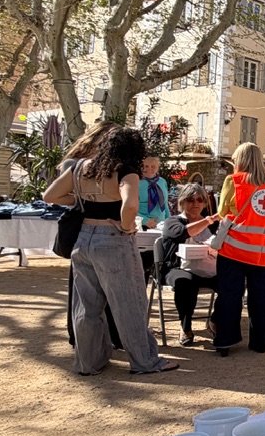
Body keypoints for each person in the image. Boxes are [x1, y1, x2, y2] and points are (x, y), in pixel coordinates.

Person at [45, 127, 174, 375]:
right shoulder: (126, 171)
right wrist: (126, 228)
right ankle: (144, 360)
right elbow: (131, 204)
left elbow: (50, 195)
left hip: (83, 239)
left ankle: (88, 362)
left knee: (86, 306)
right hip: (113, 240)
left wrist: (82, 201)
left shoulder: (81, 166)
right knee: (129, 303)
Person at [213, 142, 265, 356]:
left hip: (234, 250)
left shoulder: (233, 181)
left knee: (230, 295)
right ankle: (260, 343)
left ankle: (225, 342)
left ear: (240, 161)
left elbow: (221, 210)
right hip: (264, 253)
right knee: (261, 297)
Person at [56, 121, 120, 350]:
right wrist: (85, 201)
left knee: (94, 288)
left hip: (92, 230)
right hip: (86, 229)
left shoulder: (94, 164)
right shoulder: (75, 164)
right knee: (85, 290)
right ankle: (82, 337)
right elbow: (58, 195)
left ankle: (102, 337)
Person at [159, 183, 218, 346]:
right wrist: (209, 220)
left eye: (200, 200)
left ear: (205, 203)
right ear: (182, 202)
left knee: (234, 282)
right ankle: (185, 328)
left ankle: (215, 321)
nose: (195, 203)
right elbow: (182, 233)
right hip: (179, 268)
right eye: (190, 200)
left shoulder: (213, 225)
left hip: (209, 267)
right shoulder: (172, 222)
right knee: (185, 282)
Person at [138, 156, 171, 229]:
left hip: (161, 226)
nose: (149, 169)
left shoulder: (162, 182)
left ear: (158, 168)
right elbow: (129, 207)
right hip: (142, 226)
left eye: (153, 166)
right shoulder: (135, 182)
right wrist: (146, 221)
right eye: (145, 166)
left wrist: (169, 222)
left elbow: (165, 204)